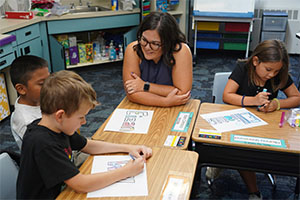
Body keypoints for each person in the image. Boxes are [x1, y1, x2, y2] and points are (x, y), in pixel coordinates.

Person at [17, 70, 152, 199]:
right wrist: (126, 172)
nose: (84, 122)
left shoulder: (57, 126)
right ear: (60, 115)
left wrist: (129, 148)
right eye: (81, 117)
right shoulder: (43, 143)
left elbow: (88, 145)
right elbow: (81, 184)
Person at [223, 39, 300, 200]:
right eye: (268, 69)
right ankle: (254, 192)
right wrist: (253, 100)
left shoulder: (278, 75)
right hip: (239, 121)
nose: (271, 75)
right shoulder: (243, 68)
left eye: (276, 71)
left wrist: (277, 103)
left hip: (265, 124)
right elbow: (227, 95)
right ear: (256, 61)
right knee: (243, 152)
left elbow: (296, 98)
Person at [123, 11, 193, 107]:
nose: (147, 47)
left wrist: (144, 86)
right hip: (143, 106)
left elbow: (182, 93)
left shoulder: (181, 51)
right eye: (144, 40)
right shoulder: (133, 49)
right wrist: (165, 102)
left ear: (168, 43)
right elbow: (132, 93)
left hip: (175, 107)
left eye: (155, 44)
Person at [10, 55, 50, 150]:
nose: (49, 85)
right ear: (21, 89)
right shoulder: (26, 122)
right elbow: (45, 149)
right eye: (41, 83)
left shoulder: (38, 99)